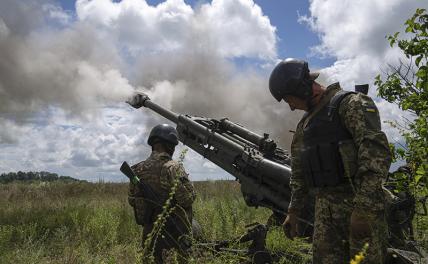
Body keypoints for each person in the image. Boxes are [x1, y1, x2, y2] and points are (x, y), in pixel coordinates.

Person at [269, 58, 391, 263]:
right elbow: (299, 172)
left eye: (290, 99)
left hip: (359, 208)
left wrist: (364, 210)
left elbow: (375, 158)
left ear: (302, 89)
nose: (291, 107)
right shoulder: (305, 124)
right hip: (326, 214)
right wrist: (293, 211)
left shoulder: (351, 105)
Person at [127, 123, 196, 264]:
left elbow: (132, 200)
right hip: (175, 234)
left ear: (153, 145)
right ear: (170, 146)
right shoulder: (173, 167)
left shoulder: (137, 170)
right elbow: (187, 200)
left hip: (149, 233)